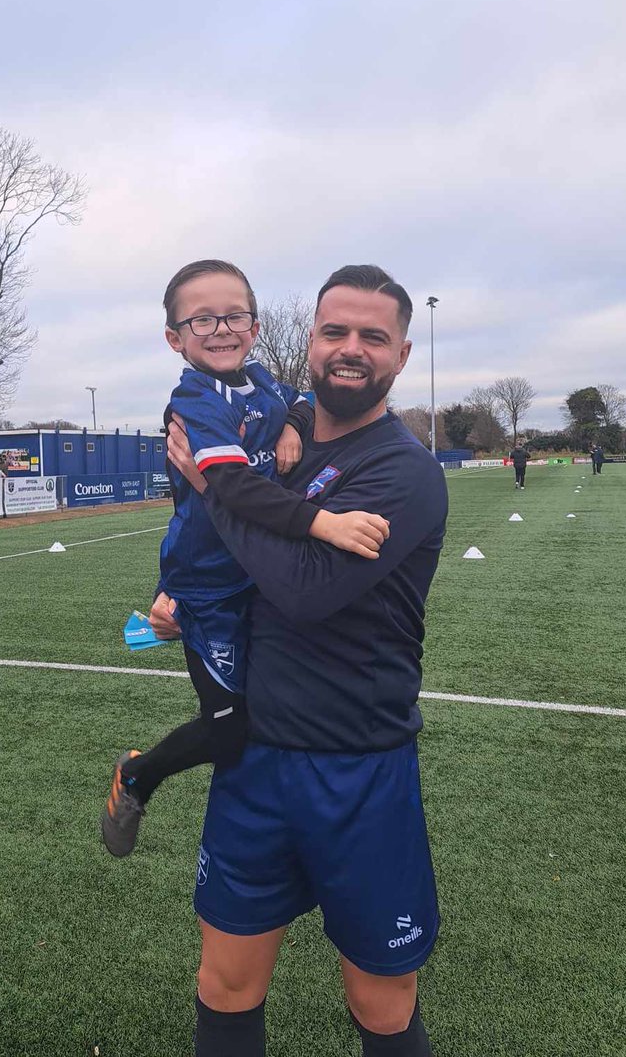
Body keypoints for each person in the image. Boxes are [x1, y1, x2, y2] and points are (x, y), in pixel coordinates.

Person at [150, 264, 448, 1057]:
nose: (351, 349)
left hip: (359, 766)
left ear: (402, 354)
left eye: (373, 337)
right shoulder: (272, 435)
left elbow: (304, 589)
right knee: (225, 986)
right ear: (309, 341)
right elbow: (234, 562)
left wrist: (213, 492)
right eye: (334, 331)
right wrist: (182, 600)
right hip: (255, 760)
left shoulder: (404, 471)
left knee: (381, 1005)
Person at [102, 260, 390, 859]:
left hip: (259, 575)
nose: (220, 329)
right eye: (201, 319)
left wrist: (292, 426)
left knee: (273, 709)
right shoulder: (195, 402)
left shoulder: (260, 381)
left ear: (255, 327)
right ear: (175, 338)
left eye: (233, 316)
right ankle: (136, 777)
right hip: (209, 589)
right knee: (229, 727)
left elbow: (302, 401)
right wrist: (325, 523)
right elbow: (230, 489)